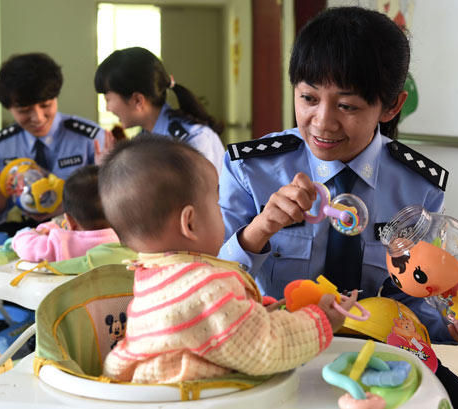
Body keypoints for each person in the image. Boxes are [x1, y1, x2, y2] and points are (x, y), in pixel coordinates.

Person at [217, 6, 458, 408]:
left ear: (392, 106)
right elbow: (212, 283)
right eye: (308, 98)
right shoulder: (250, 168)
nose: (322, 122)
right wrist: (260, 230)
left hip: (377, 354)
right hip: (273, 351)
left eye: (347, 106)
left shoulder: (419, 185)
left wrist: (454, 325)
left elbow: (411, 298)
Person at [98, 134, 356, 384]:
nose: (222, 211)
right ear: (190, 222)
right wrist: (320, 320)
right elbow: (265, 349)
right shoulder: (205, 288)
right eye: (216, 201)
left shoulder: (151, 278)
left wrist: (254, 309)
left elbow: (212, 329)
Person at [0, 52, 106, 227]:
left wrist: (67, 208)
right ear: (9, 108)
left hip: (79, 233)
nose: (38, 118)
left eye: (45, 105)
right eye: (24, 110)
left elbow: (111, 204)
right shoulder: (4, 147)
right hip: (24, 238)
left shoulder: (90, 139)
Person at [94, 47, 225, 174]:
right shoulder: (143, 142)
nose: (108, 108)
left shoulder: (194, 141)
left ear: (138, 100)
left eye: (108, 99)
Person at [11, 165, 119, 262]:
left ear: (70, 222)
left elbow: (26, 247)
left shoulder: (62, 244)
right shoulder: (128, 238)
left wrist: (43, 228)